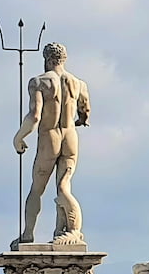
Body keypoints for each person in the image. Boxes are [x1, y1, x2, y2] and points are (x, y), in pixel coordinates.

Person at [12, 43, 91, 246]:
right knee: (64, 185)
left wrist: (19, 137)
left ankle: (28, 234)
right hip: (70, 136)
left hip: (50, 137)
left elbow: (35, 116)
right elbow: (85, 112)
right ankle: (68, 230)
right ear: (64, 59)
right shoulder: (78, 83)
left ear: (46, 59)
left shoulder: (39, 82)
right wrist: (77, 121)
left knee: (37, 189)